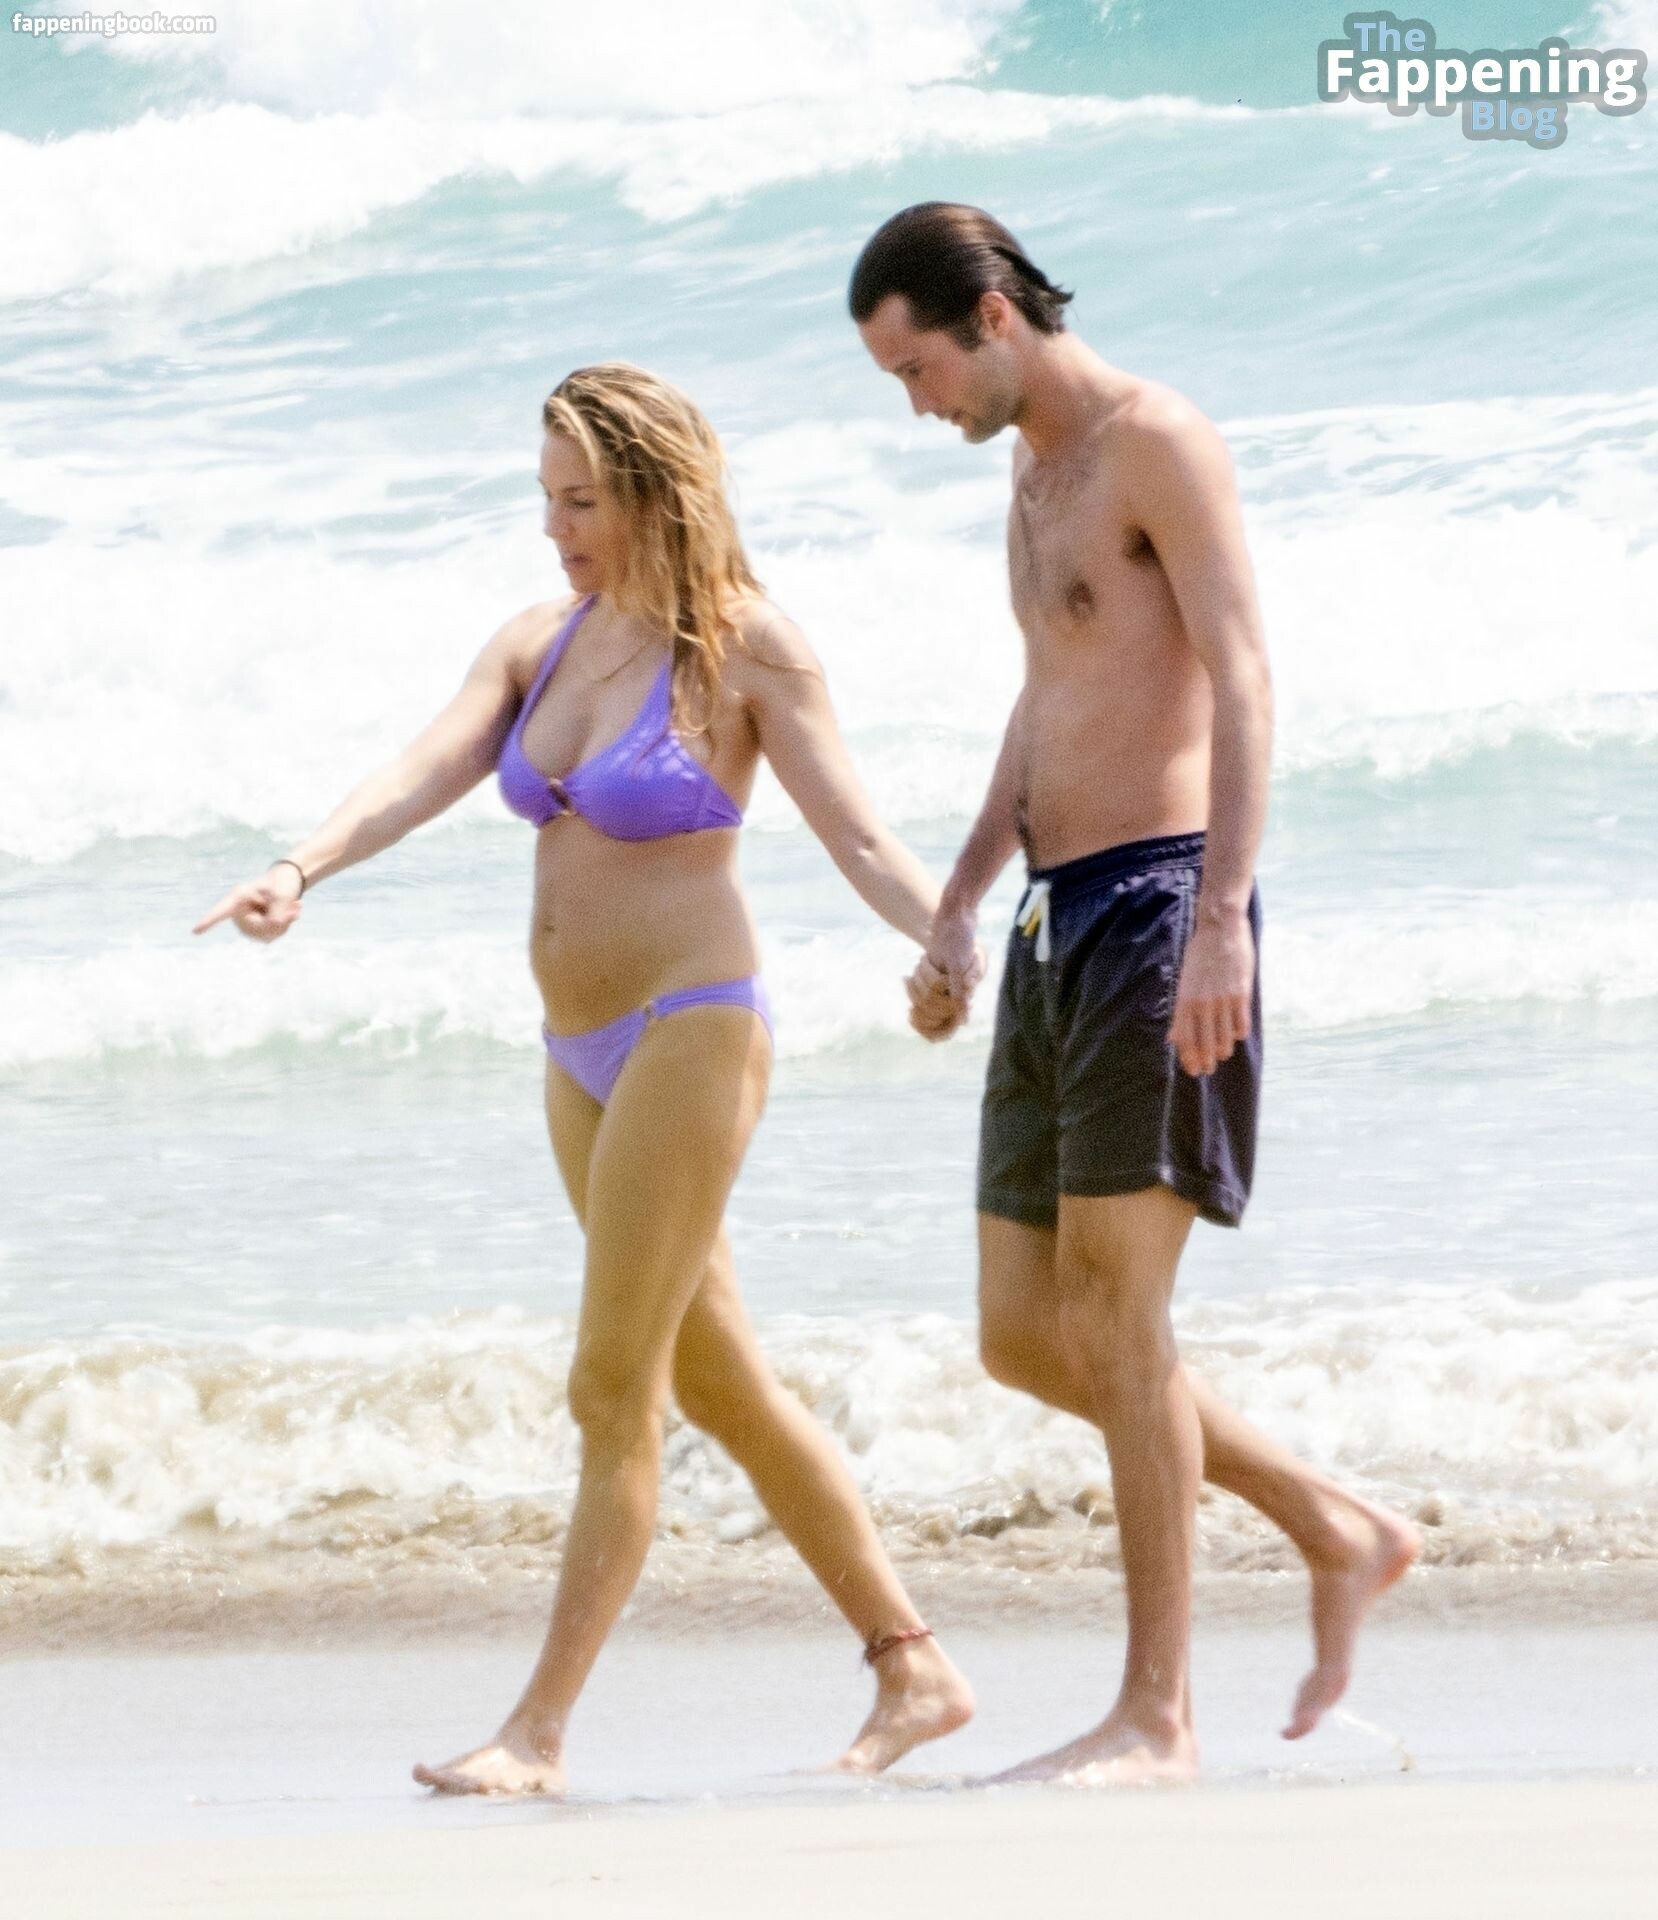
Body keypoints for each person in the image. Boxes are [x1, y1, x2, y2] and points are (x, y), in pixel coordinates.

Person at [193, 361, 975, 1797]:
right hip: (577, 1050)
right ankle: (913, 1667)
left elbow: (860, 837)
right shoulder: (539, 642)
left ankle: (537, 1733)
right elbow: (420, 770)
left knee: (612, 1385)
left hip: (693, 1023)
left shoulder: (747, 648)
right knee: (720, 1380)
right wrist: (300, 866)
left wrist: (951, 937)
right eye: (546, 499)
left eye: (583, 502)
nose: (555, 528)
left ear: (658, 495)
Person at [850, 204, 1420, 1785]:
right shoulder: (1030, 479)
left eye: (915, 370)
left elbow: (1243, 676)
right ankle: (1331, 1522)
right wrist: (959, 902)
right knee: (1023, 1333)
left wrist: (1222, 919)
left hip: (1163, 903)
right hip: (1053, 922)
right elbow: (1044, 698)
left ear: (990, 315)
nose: (915, 407)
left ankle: (1156, 1717)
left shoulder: (1155, 441)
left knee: (1117, 1317)